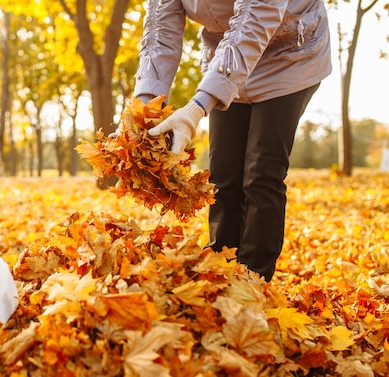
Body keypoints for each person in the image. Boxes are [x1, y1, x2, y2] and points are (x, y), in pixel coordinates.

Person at [132, 0, 332, 281]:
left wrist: (197, 108)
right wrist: (144, 110)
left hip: (289, 56)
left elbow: (255, 21)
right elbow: (159, 34)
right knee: (223, 175)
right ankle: (218, 267)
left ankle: (253, 279)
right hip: (225, 61)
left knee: (261, 173)